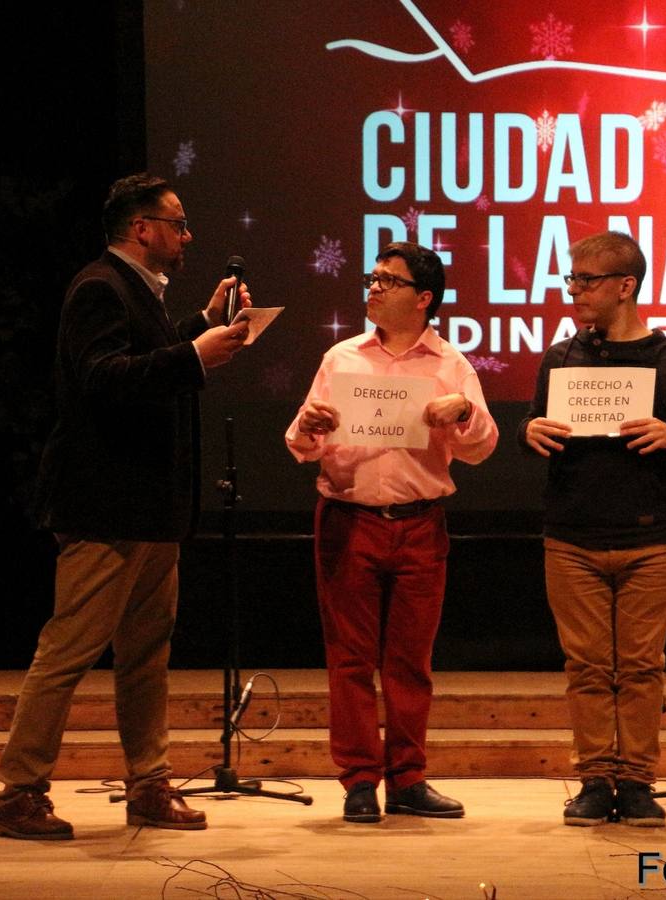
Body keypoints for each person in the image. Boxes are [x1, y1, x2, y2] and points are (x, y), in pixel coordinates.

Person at [0, 173, 253, 840]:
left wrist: (199, 325)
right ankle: (18, 793)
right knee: (68, 651)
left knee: (146, 655)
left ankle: (148, 784)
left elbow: (145, 355)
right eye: (177, 222)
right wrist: (195, 354)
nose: (187, 235)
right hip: (105, 507)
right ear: (142, 228)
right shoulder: (99, 288)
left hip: (149, 509)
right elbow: (105, 378)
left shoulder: (136, 292)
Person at [285, 241, 498, 824]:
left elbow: (481, 448)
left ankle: (408, 779)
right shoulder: (341, 358)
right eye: (371, 277)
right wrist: (309, 425)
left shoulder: (451, 365)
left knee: (410, 661)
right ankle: (359, 781)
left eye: (388, 280)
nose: (373, 287)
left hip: (420, 524)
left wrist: (462, 413)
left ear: (424, 298)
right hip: (348, 520)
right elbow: (301, 445)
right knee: (349, 659)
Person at [519, 231, 666, 827]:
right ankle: (594, 778)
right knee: (585, 665)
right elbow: (536, 424)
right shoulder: (561, 357)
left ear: (625, 286)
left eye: (586, 280)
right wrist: (531, 433)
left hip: (651, 538)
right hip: (573, 535)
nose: (573, 290)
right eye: (571, 279)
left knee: (640, 665)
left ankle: (634, 782)